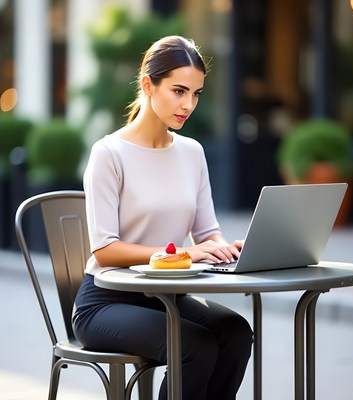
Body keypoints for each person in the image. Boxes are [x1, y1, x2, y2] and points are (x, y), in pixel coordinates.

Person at [72, 35, 253, 400]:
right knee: (195, 345)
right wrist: (184, 255)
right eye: (179, 91)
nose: (188, 104)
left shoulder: (192, 152)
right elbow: (104, 250)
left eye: (196, 94)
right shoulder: (109, 153)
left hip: (166, 298)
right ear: (147, 85)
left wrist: (225, 249)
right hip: (107, 303)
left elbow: (207, 232)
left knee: (235, 331)